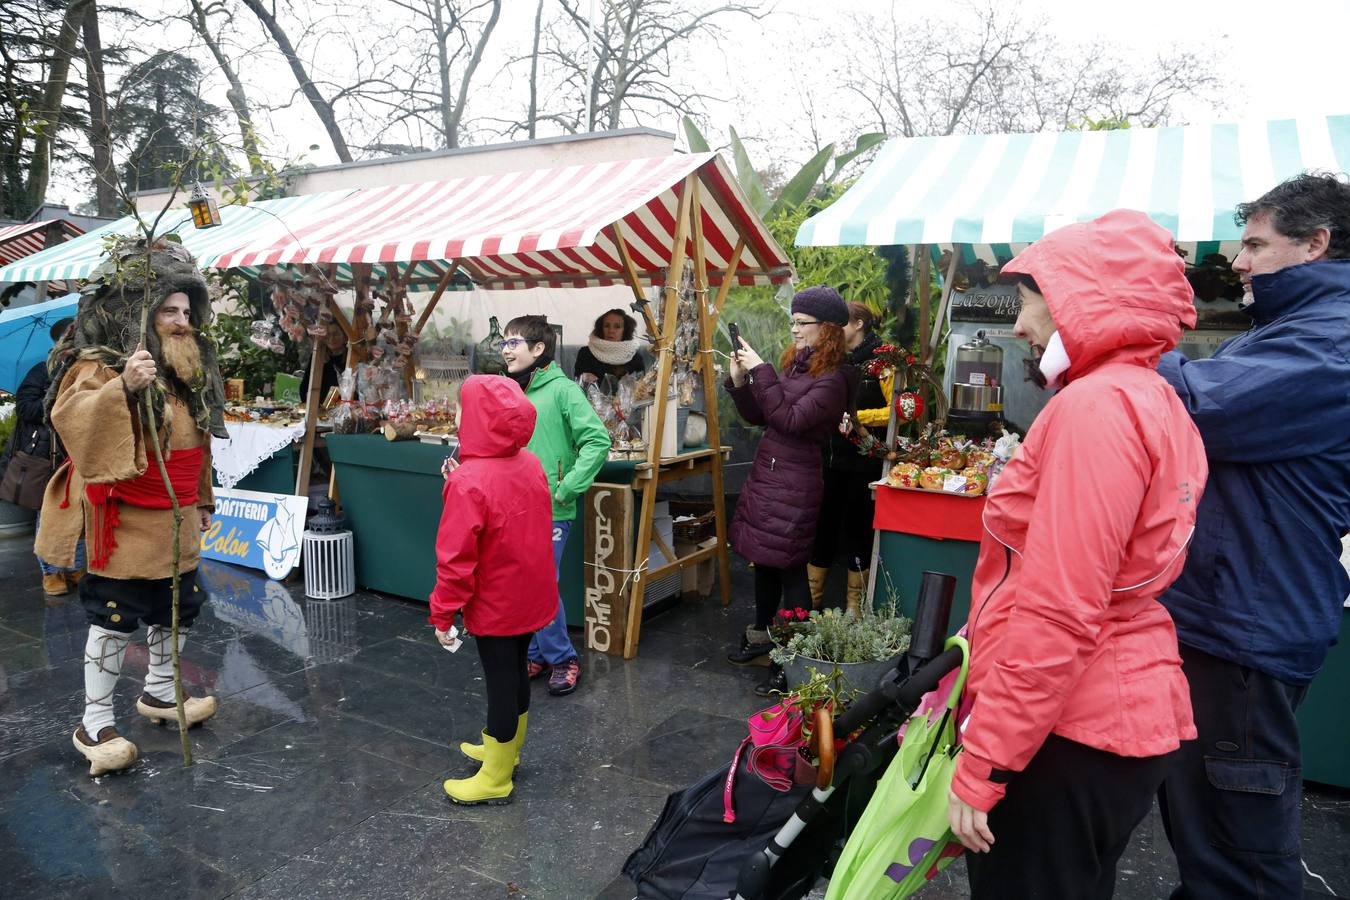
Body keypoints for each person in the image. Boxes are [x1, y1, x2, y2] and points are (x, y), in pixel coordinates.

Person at [945, 210, 1208, 899]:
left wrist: (987, 759)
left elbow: (1060, 605)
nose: (1020, 328)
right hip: (1111, 713)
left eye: (1030, 304)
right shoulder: (1150, 397)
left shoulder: (1094, 409)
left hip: (1066, 730)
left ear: (1081, 300)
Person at [1154, 172, 1350, 899]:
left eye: (1256, 245)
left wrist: (1126, 340)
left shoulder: (1333, 344)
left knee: (1241, 862)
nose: (1237, 262)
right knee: (1210, 836)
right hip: (1228, 613)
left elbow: (1197, 405)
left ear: (1316, 244)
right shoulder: (1294, 332)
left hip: (1246, 627)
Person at [35, 241, 227, 777]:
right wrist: (123, 386)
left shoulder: (184, 371)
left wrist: (204, 499)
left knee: (180, 605)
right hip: (124, 521)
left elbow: (198, 443)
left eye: (187, 312)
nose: (181, 321)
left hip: (179, 517)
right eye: (168, 310)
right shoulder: (99, 365)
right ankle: (94, 723)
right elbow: (71, 420)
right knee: (116, 618)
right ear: (135, 312)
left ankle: (162, 694)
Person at [430, 375, 557, 805]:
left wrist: (442, 614)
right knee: (517, 669)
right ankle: (507, 747)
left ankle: (497, 774)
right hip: (530, 593)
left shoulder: (468, 482)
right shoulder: (531, 462)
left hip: (497, 601)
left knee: (500, 680)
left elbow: (455, 559)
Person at [723, 286, 852, 693]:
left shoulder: (834, 380)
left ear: (827, 329)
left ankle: (792, 656)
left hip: (795, 485)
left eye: (802, 324)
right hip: (770, 476)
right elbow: (763, 416)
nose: (794, 330)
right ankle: (761, 636)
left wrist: (762, 371)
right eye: (792, 322)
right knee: (764, 561)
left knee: (791, 567)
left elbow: (792, 421)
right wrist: (741, 383)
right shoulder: (797, 366)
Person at [499, 315, 611, 696]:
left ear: (538, 349)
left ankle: (563, 658)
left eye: (513, 342)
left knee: (541, 585)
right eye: (504, 342)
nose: (505, 349)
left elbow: (598, 441)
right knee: (523, 583)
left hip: (552, 509)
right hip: (513, 508)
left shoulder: (563, 390)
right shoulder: (510, 390)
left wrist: (566, 489)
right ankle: (536, 651)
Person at [808, 302, 890, 615]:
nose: (833, 330)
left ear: (857, 324)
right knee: (823, 525)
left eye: (839, 323)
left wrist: (857, 417)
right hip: (828, 458)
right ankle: (811, 602)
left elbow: (898, 410)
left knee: (858, 529)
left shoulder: (884, 359)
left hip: (864, 460)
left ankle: (855, 607)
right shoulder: (830, 358)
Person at [2, 318, 86, 595]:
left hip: (80, 455)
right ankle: (51, 573)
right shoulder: (42, 371)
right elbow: (26, 409)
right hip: (47, 458)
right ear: (59, 342)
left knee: (80, 515)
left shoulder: (88, 371)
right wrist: (60, 401)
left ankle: (74, 566)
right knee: (47, 516)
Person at [572, 308, 647, 386]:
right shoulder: (586, 353)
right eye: (607, 326)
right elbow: (579, 384)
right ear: (601, 329)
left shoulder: (635, 357)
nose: (611, 330)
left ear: (625, 330)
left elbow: (640, 389)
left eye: (617, 327)